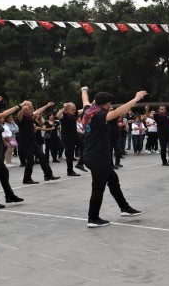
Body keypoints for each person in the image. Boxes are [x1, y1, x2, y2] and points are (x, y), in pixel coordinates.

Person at [82, 90, 147, 227]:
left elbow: (85, 100)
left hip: (90, 155)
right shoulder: (100, 115)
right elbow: (119, 112)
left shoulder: (88, 111)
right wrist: (136, 98)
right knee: (98, 188)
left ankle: (125, 208)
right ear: (108, 103)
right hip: (97, 157)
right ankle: (93, 219)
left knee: (113, 180)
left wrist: (84, 90)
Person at [16, 101, 60, 184]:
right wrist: (22, 109)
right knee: (30, 161)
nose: (32, 109)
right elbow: (19, 115)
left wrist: (47, 105)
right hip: (25, 142)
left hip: (33, 141)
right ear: (25, 108)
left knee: (42, 157)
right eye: (31, 107)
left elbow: (38, 111)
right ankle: (26, 179)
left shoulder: (30, 116)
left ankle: (48, 175)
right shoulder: (21, 117)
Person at [57, 99, 85, 176]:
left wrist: (92, 105)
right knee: (70, 154)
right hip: (67, 138)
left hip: (75, 136)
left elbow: (83, 110)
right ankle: (70, 171)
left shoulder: (74, 113)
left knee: (85, 146)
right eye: (73, 109)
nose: (74, 110)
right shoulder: (64, 116)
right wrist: (63, 108)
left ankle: (80, 163)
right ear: (67, 109)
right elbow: (58, 115)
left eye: (75, 109)